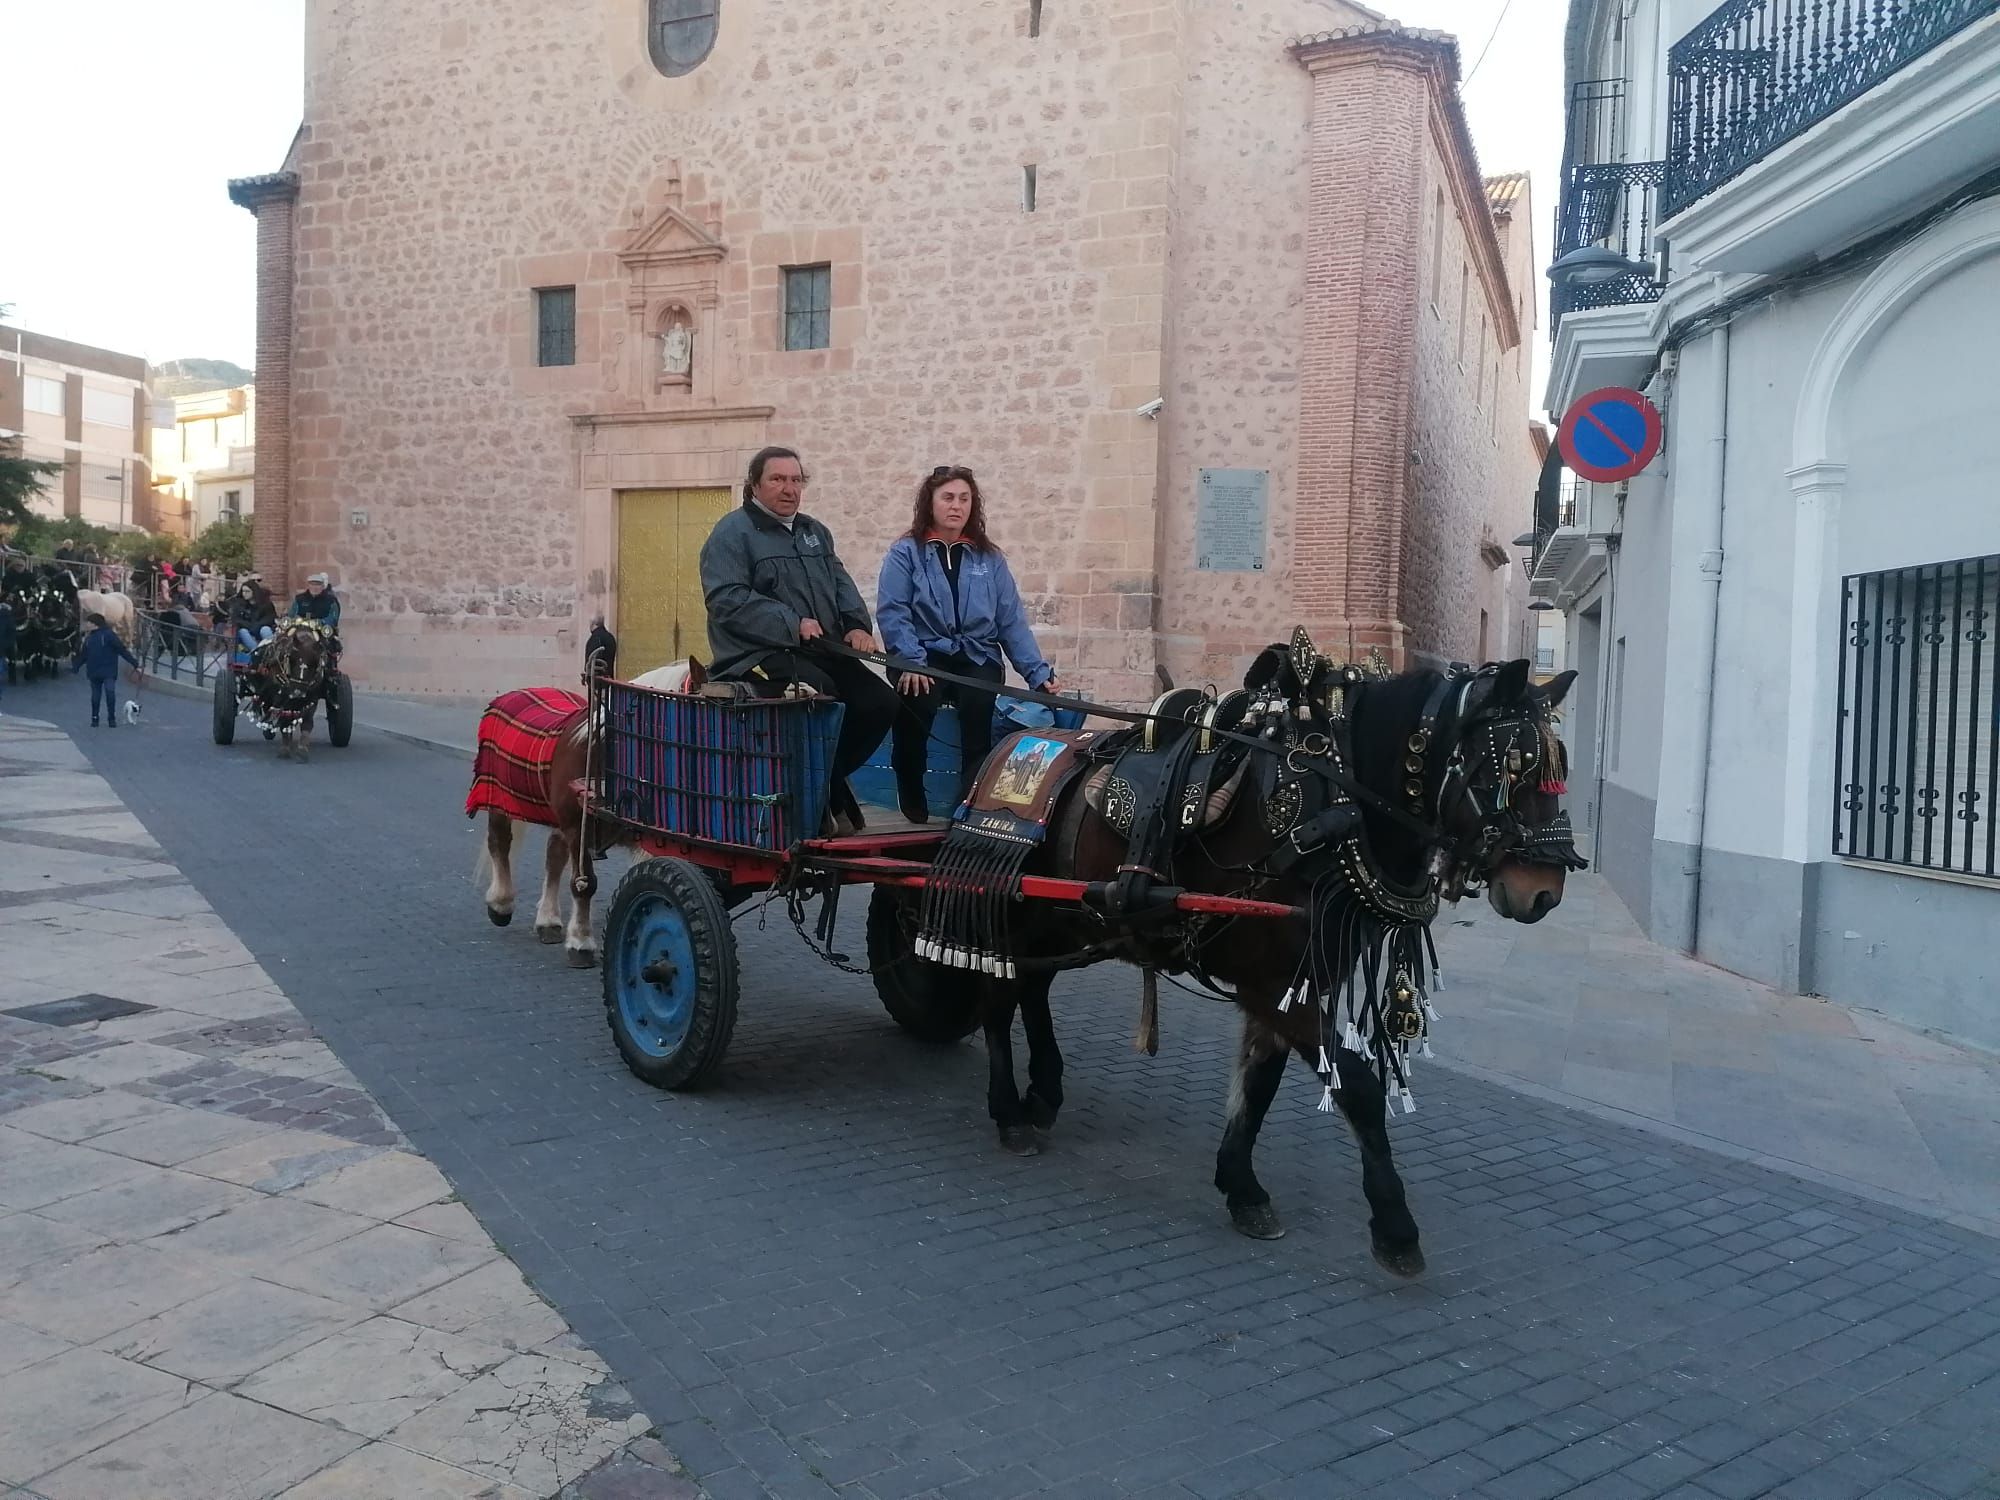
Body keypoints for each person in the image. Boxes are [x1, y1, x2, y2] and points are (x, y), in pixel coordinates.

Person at [699, 446, 896, 832]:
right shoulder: (731, 532)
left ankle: (825, 780)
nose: (789, 489)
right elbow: (726, 598)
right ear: (754, 484)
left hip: (823, 647)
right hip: (759, 650)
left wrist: (857, 624)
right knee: (820, 694)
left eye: (795, 480)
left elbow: (841, 582)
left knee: (881, 702)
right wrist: (790, 623)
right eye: (777, 479)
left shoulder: (813, 532)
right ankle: (822, 792)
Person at [875, 465, 1062, 822]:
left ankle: (968, 797)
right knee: (918, 698)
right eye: (947, 498)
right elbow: (893, 611)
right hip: (922, 651)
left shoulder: (989, 558)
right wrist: (911, 660)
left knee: (979, 705)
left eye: (964, 499)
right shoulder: (905, 553)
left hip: (975, 652)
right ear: (929, 504)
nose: (956, 506)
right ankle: (909, 780)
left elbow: (1010, 620)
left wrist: (1037, 673)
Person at [71, 612, 138, 728]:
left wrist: (134, 663)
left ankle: (102, 718)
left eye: (89, 623)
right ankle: (102, 718)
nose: (87, 625)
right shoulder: (96, 637)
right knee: (104, 694)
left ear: (95, 624)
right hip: (103, 671)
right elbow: (85, 655)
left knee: (103, 694)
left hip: (102, 671)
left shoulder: (101, 636)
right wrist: (76, 666)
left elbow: (121, 650)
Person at [226, 575, 278, 653]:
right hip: (247, 629)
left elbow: (270, 618)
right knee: (243, 631)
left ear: (253, 592)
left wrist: (257, 625)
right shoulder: (239, 605)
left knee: (265, 630)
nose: (244, 594)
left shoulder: (266, 604)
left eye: (247, 591)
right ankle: (256, 652)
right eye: (243, 591)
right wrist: (249, 625)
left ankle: (271, 651)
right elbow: (236, 619)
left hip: (261, 628)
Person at [583, 615, 618, 687]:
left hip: (597, 680)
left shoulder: (595, 638)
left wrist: (587, 674)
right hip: (608, 679)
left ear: (594, 624)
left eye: (590, 623)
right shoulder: (610, 637)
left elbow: (592, 660)